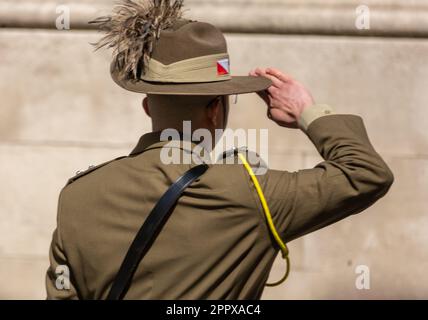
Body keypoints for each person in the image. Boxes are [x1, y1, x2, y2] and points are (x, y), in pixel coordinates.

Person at [46, 0, 394, 299]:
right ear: (215, 110)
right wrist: (307, 112)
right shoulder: (253, 195)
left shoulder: (78, 197)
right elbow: (365, 173)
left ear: (148, 107)